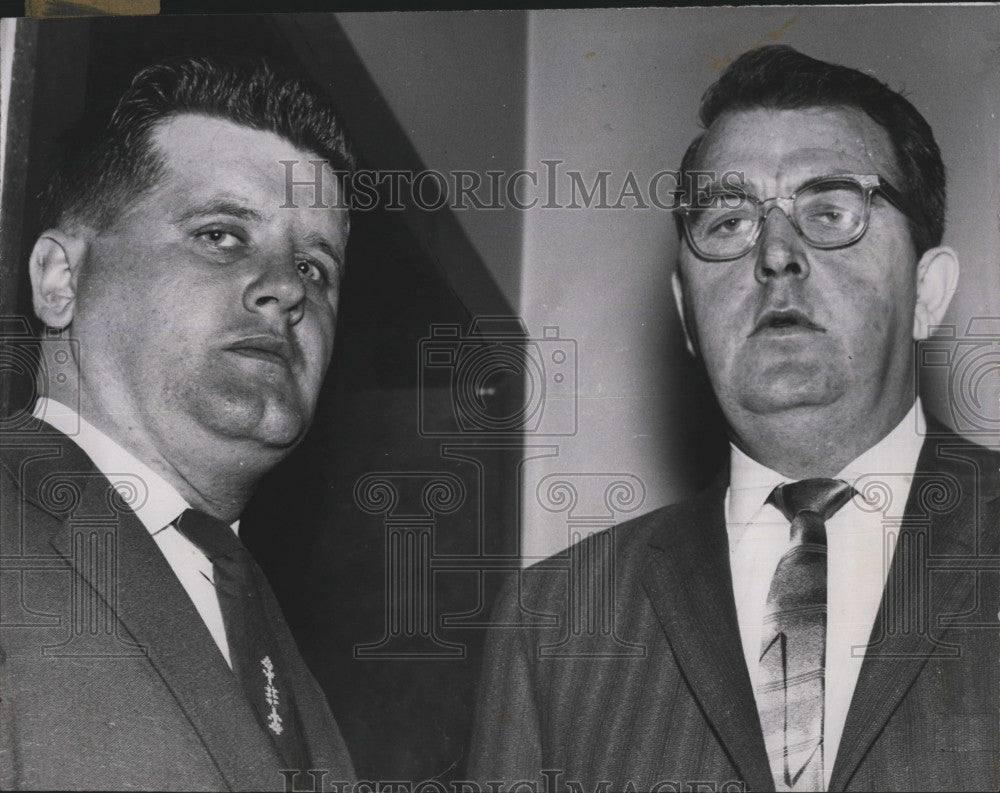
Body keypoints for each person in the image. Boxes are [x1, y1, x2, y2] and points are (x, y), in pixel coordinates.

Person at [469, 46, 998, 792]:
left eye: (830, 210)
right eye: (728, 221)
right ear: (688, 313)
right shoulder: (554, 622)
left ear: (929, 289)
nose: (776, 252)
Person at [0, 57, 356, 790]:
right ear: (60, 279)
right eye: (222, 234)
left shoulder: (276, 642)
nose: (288, 288)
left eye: (316, 267)